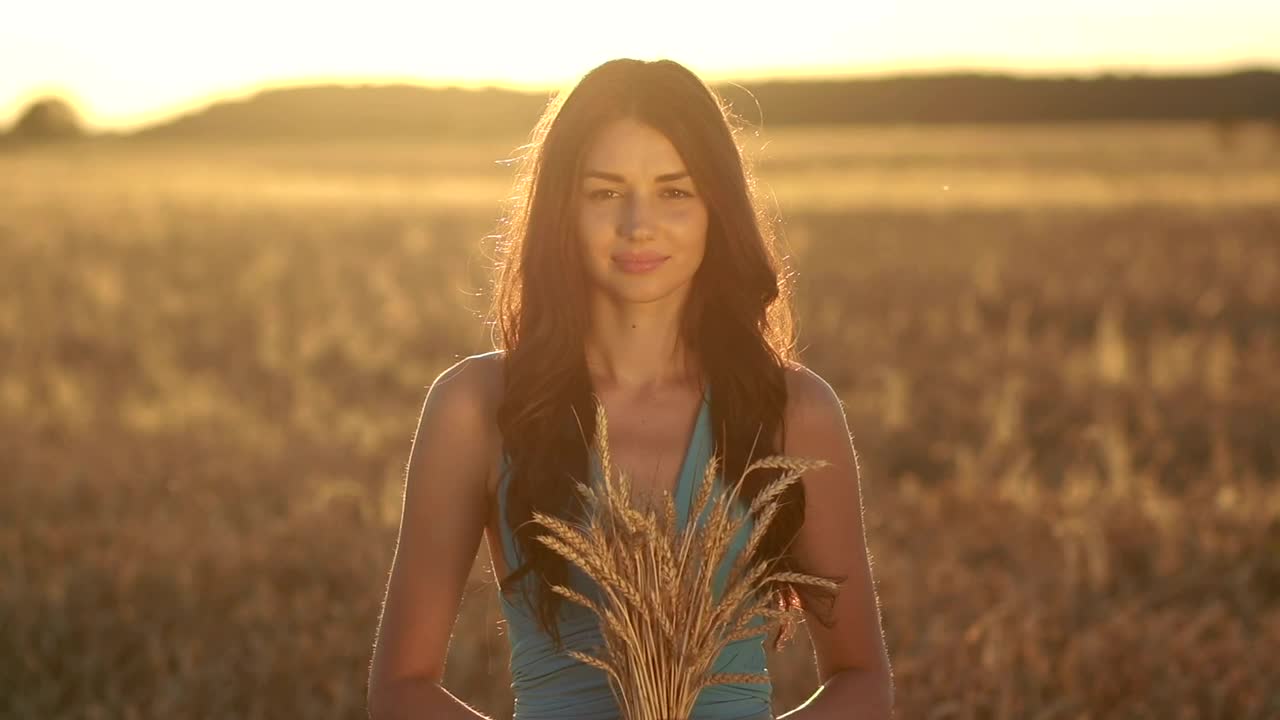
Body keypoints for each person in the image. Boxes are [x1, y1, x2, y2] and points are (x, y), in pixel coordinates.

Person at [367, 58, 893, 720]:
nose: (639, 224)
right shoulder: (475, 406)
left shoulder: (795, 412)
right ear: (562, 208)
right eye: (606, 193)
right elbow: (402, 688)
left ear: (716, 209)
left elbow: (861, 678)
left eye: (675, 191)